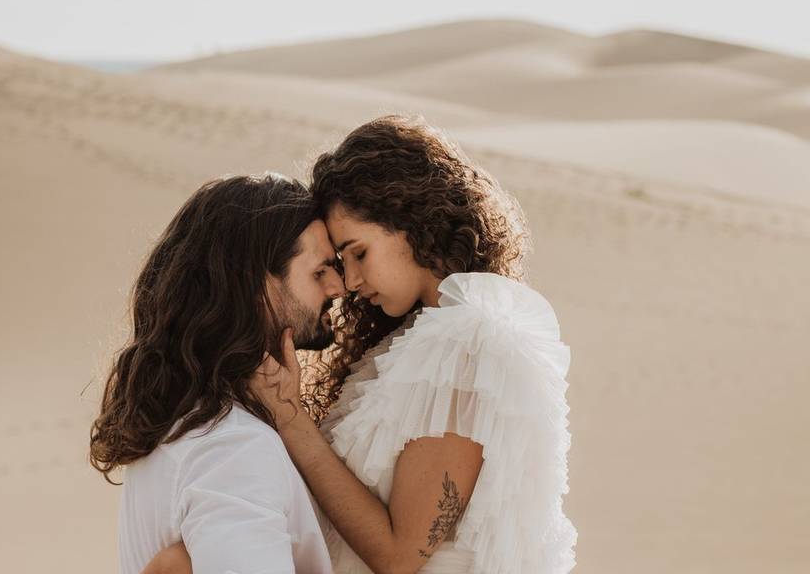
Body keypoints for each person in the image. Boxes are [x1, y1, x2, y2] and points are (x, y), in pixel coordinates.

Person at [147, 115, 577, 573]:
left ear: (412, 224)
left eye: (359, 253)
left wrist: (291, 418)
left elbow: (399, 558)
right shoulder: (417, 341)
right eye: (338, 262)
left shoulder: (466, 343)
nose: (349, 281)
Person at [89, 174, 345, 574]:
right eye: (320, 271)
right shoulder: (232, 449)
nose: (338, 287)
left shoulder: (184, 424)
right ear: (258, 286)